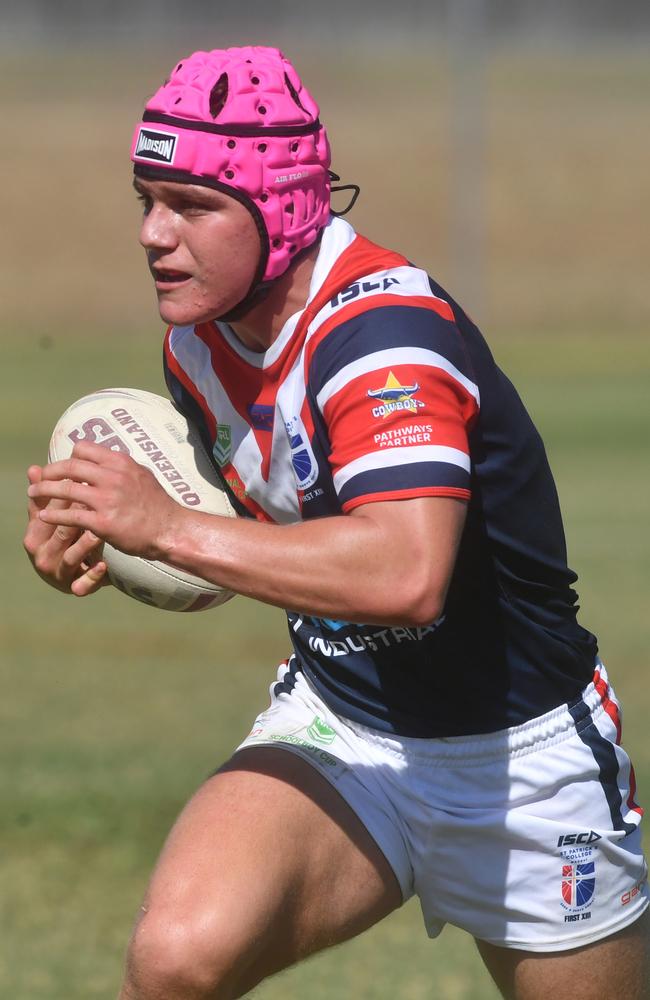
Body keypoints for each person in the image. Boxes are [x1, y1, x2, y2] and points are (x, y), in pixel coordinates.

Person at [24, 45, 648, 1000]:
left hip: (521, 760)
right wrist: (108, 540)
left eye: (191, 205)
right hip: (347, 724)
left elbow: (405, 574)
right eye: (146, 198)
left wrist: (163, 530)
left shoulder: (381, 337)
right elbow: (264, 536)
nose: (154, 233)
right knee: (176, 958)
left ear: (282, 210)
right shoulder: (197, 347)